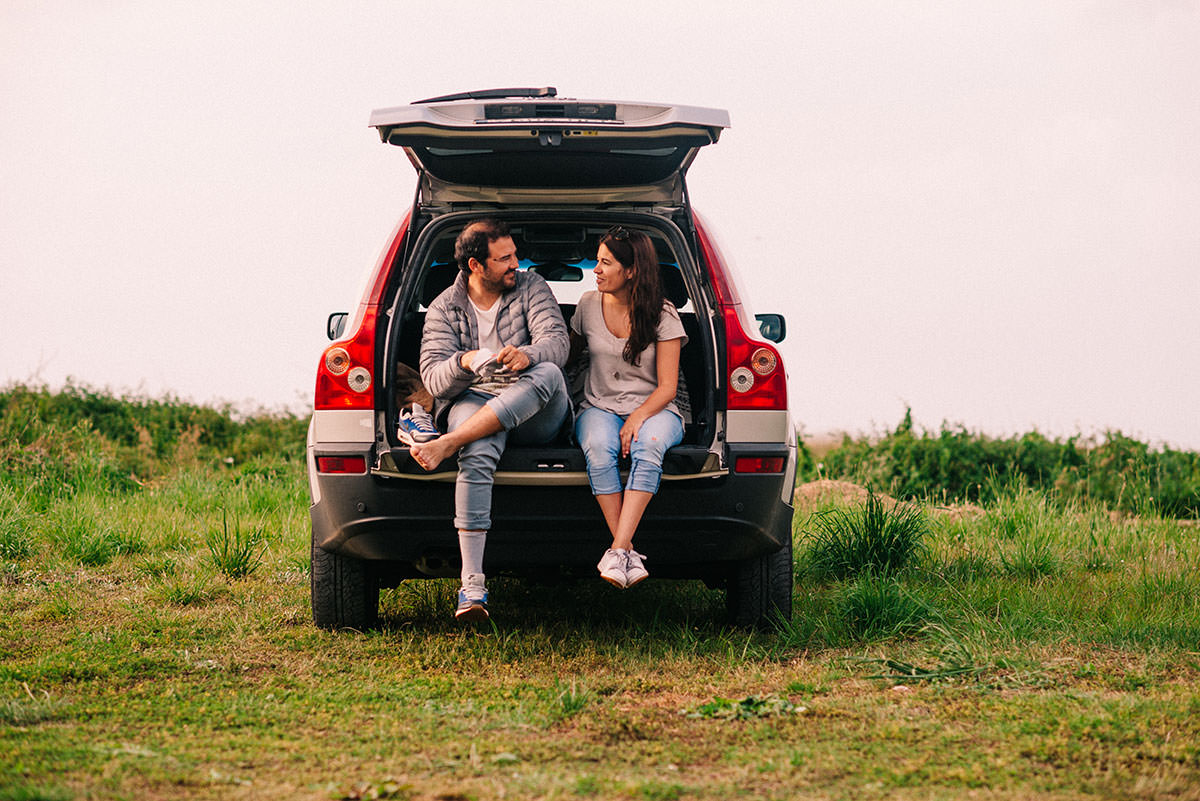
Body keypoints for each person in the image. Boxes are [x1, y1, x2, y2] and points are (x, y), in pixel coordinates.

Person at [413, 219, 570, 622]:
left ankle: (448, 442)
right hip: (475, 399)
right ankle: (472, 588)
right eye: (505, 258)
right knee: (478, 451)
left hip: (536, 411)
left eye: (515, 254)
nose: (516, 263)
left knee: (550, 373)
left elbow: (557, 342)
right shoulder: (443, 308)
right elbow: (432, 378)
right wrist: (464, 361)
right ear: (475, 265)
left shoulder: (532, 286)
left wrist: (529, 355)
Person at [570, 225, 687, 589]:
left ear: (632, 269)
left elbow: (667, 387)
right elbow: (568, 359)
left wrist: (637, 417)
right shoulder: (588, 305)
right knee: (599, 450)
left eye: (606, 263)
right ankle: (626, 553)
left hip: (655, 407)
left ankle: (618, 548)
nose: (597, 269)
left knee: (648, 446)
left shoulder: (663, 314)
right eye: (597, 261)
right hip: (597, 405)